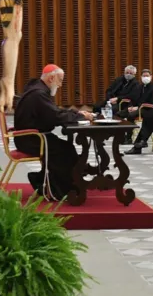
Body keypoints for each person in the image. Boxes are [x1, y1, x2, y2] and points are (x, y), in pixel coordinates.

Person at [14, 64, 95, 199]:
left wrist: (76, 113)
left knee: (66, 147)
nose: (60, 85)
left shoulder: (38, 90)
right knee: (64, 150)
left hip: (32, 136)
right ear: (51, 78)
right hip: (30, 139)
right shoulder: (38, 94)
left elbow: (54, 111)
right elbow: (56, 116)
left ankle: (68, 183)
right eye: (60, 80)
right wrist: (81, 116)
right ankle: (63, 188)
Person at [117, 69, 153, 144]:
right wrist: (130, 106)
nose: (145, 77)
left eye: (147, 76)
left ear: (151, 77)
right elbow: (133, 98)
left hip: (147, 109)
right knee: (119, 114)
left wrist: (138, 107)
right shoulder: (139, 87)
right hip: (137, 107)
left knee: (130, 115)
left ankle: (129, 138)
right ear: (141, 77)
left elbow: (152, 102)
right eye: (144, 76)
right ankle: (121, 136)